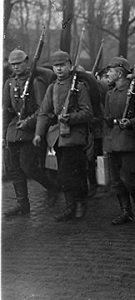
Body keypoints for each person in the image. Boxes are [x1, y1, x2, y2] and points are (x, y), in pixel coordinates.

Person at [33, 50, 94, 221]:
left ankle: (76, 203)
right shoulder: (52, 87)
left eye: (62, 65)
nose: (59, 69)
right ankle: (73, 204)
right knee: (70, 172)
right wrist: (38, 133)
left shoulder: (79, 87)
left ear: (69, 65)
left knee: (67, 174)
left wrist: (71, 118)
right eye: (56, 66)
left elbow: (88, 113)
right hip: (57, 137)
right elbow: (44, 112)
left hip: (75, 137)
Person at [3, 49, 60, 216]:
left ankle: (53, 187)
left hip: (31, 131)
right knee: (14, 169)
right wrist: (3, 134)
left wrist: (28, 123)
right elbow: (7, 111)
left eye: (19, 63)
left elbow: (43, 109)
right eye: (13, 65)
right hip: (13, 131)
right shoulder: (10, 83)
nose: (15, 67)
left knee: (29, 167)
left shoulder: (36, 81)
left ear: (26, 62)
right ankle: (22, 204)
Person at [102, 57, 135, 225]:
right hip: (112, 140)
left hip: (128, 140)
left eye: (110, 70)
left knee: (127, 177)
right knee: (115, 180)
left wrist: (130, 122)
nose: (108, 73)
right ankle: (125, 211)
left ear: (120, 72)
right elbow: (107, 119)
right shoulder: (110, 93)